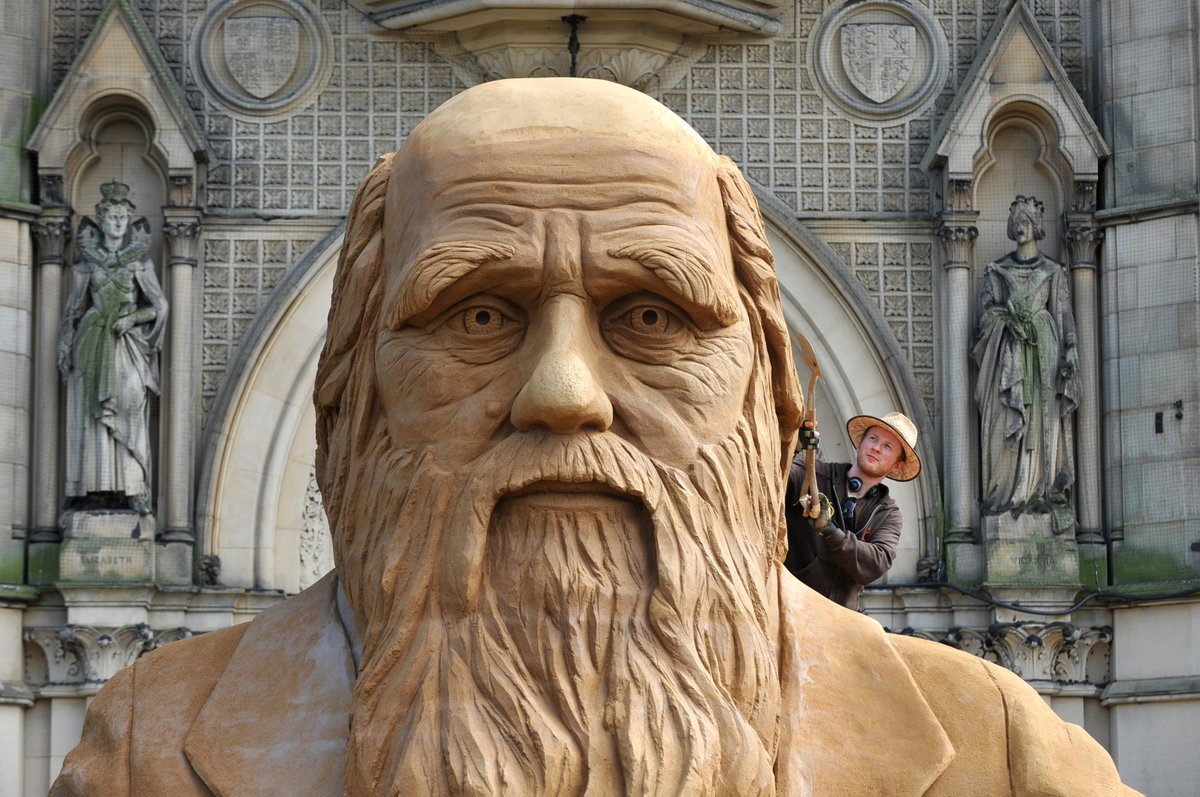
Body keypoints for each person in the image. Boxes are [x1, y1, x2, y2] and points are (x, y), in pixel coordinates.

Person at [53, 79, 1136, 796]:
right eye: (479, 313)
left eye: (652, 315)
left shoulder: (1002, 757)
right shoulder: (145, 753)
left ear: (769, 400)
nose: (563, 391)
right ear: (348, 398)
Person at [58, 179, 167, 514]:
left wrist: (132, 318)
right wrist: (64, 346)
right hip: (91, 343)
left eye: (123, 217)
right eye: (112, 217)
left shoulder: (140, 263)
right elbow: (72, 310)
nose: (118, 223)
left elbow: (160, 306)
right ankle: (89, 489)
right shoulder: (86, 265)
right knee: (89, 417)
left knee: (129, 410)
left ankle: (133, 488)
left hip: (125, 346)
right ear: (101, 220)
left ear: (129, 221)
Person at [972, 195, 1078, 533]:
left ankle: (1041, 491)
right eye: (1016, 221)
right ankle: (1008, 494)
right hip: (1010, 354)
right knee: (1008, 420)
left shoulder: (1052, 271)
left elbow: (1064, 314)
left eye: (1026, 221)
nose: (1020, 227)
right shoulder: (997, 271)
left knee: (1043, 422)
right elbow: (984, 316)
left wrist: (1071, 348)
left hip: (1045, 352)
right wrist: (1006, 320)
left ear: (1036, 227)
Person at [784, 411, 919, 610]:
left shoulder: (888, 515)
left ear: (897, 466)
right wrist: (791, 446)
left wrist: (830, 532)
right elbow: (771, 477)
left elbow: (876, 562)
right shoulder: (810, 473)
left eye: (887, 446)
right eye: (873, 438)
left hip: (840, 618)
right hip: (786, 600)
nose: (876, 448)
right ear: (860, 443)